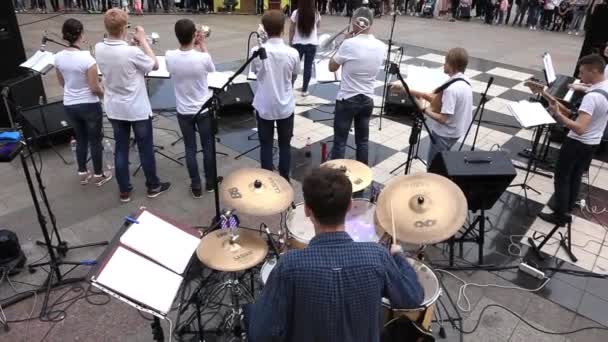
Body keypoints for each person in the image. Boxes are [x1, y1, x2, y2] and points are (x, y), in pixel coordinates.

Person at [245, 167, 424, 342]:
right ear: (349, 206)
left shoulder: (289, 266)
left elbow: (261, 333)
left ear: (307, 210)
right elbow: (412, 298)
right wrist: (398, 256)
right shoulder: (378, 256)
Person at [95, 9, 171, 202]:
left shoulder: (99, 48)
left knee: (120, 148)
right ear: (123, 27)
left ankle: (124, 190)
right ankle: (153, 186)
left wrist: (128, 42)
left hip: (114, 107)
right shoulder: (132, 52)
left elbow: (118, 56)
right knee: (145, 148)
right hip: (136, 108)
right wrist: (143, 40)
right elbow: (154, 65)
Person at [533, 55, 608, 225]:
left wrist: (557, 114)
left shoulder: (592, 97)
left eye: (582, 73)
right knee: (575, 176)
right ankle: (566, 207)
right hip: (593, 142)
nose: (580, 77)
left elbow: (580, 128)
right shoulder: (605, 87)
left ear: (594, 70)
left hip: (577, 143)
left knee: (562, 177)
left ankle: (560, 215)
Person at [55, 18, 112, 187]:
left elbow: (62, 83)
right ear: (80, 34)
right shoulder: (87, 59)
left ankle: (82, 173)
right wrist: (103, 94)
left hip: (70, 104)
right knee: (95, 140)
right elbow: (94, 88)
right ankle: (98, 175)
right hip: (88, 104)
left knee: (81, 139)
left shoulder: (57, 57)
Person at [392, 48, 473, 166]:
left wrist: (423, 109)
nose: (443, 64)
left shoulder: (451, 89)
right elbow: (435, 99)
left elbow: (443, 119)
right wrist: (405, 89)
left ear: (452, 65)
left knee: (433, 167)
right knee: (443, 163)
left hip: (445, 134)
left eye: (446, 62)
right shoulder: (463, 81)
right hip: (455, 132)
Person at [165, 19, 216, 198]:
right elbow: (212, 69)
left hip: (183, 110)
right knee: (208, 147)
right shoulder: (203, 58)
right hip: (202, 109)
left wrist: (192, 42)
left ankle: (196, 185)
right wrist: (202, 45)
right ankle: (210, 183)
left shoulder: (170, 55)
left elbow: (172, 67)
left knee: (190, 148)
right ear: (195, 34)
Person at [329, 7, 386, 166]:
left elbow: (332, 67)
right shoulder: (381, 46)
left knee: (340, 142)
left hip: (347, 99)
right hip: (367, 99)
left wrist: (344, 43)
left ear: (356, 23)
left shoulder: (349, 44)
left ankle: (336, 178)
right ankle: (363, 174)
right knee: (363, 141)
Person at [250, 10, 300, 181]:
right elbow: (293, 77)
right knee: (285, 145)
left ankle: (268, 180)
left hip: (264, 105)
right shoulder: (293, 53)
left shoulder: (256, 50)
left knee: (266, 144)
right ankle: (285, 178)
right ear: (283, 29)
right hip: (285, 106)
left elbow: (255, 72)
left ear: (264, 29)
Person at [290, 0, 321, 97]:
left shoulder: (296, 13)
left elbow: (291, 29)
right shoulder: (316, 13)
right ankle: (304, 90)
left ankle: (290, 88)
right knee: (308, 67)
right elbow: (318, 26)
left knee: (294, 67)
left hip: (297, 43)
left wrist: (290, 41)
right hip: (312, 44)